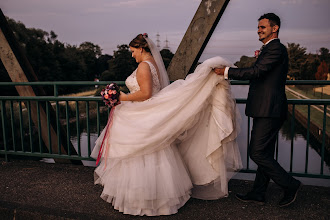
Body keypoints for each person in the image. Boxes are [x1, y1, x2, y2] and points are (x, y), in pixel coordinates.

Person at [91, 33, 242, 216]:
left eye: (133, 51)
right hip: (146, 112)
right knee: (155, 151)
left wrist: (122, 97)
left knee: (140, 153)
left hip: (142, 113)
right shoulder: (152, 64)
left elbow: (146, 94)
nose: (132, 55)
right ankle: (161, 198)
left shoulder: (144, 66)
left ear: (141, 48)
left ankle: (141, 199)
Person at [214, 13, 301, 207]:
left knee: (257, 153)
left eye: (262, 27)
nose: (258, 30)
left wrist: (226, 72)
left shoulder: (276, 49)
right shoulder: (269, 49)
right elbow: (259, 71)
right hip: (266, 109)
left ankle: (290, 185)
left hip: (269, 109)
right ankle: (258, 193)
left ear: (274, 28)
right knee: (265, 153)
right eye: (258, 27)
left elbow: (256, 72)